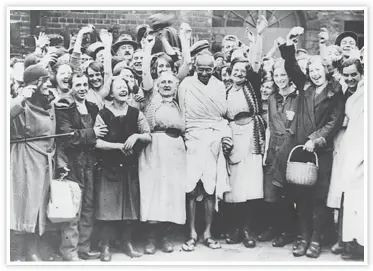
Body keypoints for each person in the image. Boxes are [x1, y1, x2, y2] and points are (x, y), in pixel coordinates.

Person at [279, 28, 345, 258]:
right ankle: (302, 238)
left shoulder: (335, 91)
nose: (314, 73)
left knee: (319, 197)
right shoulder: (304, 86)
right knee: (301, 197)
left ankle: (315, 240)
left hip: (322, 152)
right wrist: (289, 44)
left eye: (317, 69)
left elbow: (334, 122)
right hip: (301, 152)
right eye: (311, 70)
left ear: (325, 70)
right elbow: (290, 66)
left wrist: (315, 139)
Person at [178, 52, 232, 251]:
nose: (204, 73)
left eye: (208, 69)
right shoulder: (186, 85)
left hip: (213, 138)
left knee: (210, 189)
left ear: (214, 69)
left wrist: (223, 135)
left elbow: (222, 113)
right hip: (192, 136)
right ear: (194, 67)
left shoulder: (219, 86)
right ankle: (191, 233)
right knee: (191, 189)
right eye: (200, 69)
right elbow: (183, 114)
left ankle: (208, 233)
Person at [94, 76, 151, 262]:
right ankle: (106, 246)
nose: (123, 89)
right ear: (111, 92)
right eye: (118, 87)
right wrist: (118, 146)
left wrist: (136, 136)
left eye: (125, 86)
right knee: (107, 207)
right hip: (109, 167)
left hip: (129, 167)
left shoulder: (136, 113)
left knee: (130, 206)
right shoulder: (103, 114)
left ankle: (127, 243)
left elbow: (148, 135)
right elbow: (97, 142)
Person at [55, 72, 104, 261]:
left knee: (89, 206)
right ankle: (69, 251)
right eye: (78, 85)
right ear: (71, 87)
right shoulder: (65, 107)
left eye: (85, 84)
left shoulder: (92, 107)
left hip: (91, 162)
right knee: (73, 207)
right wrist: (92, 132)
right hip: (73, 162)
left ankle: (84, 248)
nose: (82, 88)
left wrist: (92, 135)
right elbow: (67, 136)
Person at [10, 64, 55, 261]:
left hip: (45, 160)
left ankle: (33, 249)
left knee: (39, 205)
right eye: (44, 81)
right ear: (34, 84)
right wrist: (20, 98)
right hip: (25, 159)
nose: (48, 84)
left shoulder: (49, 102)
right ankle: (18, 253)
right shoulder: (22, 104)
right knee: (24, 205)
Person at [138, 71, 186, 254]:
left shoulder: (179, 103)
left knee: (171, 193)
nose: (166, 85)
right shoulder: (152, 100)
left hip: (176, 149)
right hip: (154, 148)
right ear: (157, 86)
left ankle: (165, 237)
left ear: (175, 86)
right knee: (153, 192)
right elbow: (146, 78)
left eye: (170, 82)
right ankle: (150, 238)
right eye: (163, 82)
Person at [258, 58, 299, 247]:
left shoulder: (298, 96)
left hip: (289, 148)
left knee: (286, 193)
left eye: (283, 74)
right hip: (272, 148)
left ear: (289, 76)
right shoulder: (273, 97)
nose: (280, 78)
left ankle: (288, 231)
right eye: (276, 75)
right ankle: (273, 227)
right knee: (270, 192)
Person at [327, 58, 364, 256]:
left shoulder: (364, 93)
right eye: (347, 75)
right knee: (342, 193)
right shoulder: (341, 91)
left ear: (361, 73)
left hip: (361, 147)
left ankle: (356, 243)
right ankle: (343, 238)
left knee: (357, 197)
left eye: (354, 75)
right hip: (342, 144)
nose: (350, 78)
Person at [85, 30, 113, 110]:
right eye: (91, 76)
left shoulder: (106, 89)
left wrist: (107, 45)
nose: (94, 78)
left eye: (97, 74)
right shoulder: (87, 91)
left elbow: (108, 72)